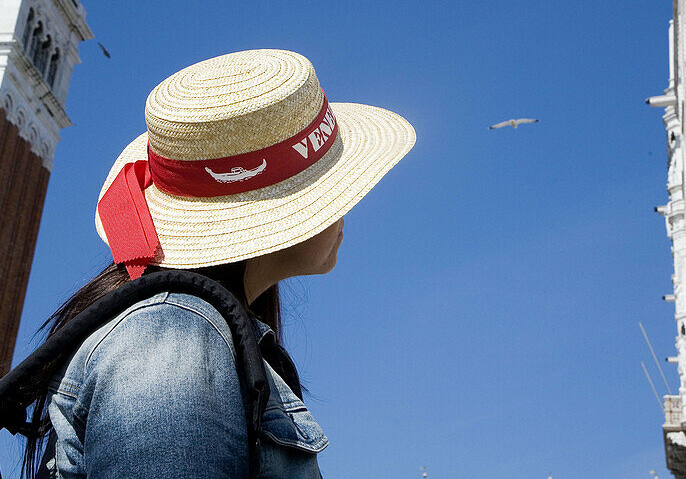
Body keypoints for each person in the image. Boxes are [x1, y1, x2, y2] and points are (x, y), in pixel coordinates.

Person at [32, 49, 415, 478]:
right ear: (272, 208)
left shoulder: (188, 334)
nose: (349, 209)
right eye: (334, 184)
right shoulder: (173, 344)